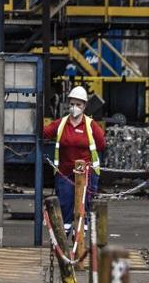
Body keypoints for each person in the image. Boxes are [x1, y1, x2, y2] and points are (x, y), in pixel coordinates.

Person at [42, 85, 105, 231]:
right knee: (65, 202)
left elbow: (101, 144)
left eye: (78, 104)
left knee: (85, 204)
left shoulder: (90, 125)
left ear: (84, 106)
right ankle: (66, 232)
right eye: (72, 104)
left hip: (87, 173)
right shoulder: (61, 124)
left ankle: (83, 232)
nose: (74, 107)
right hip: (65, 172)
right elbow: (44, 133)